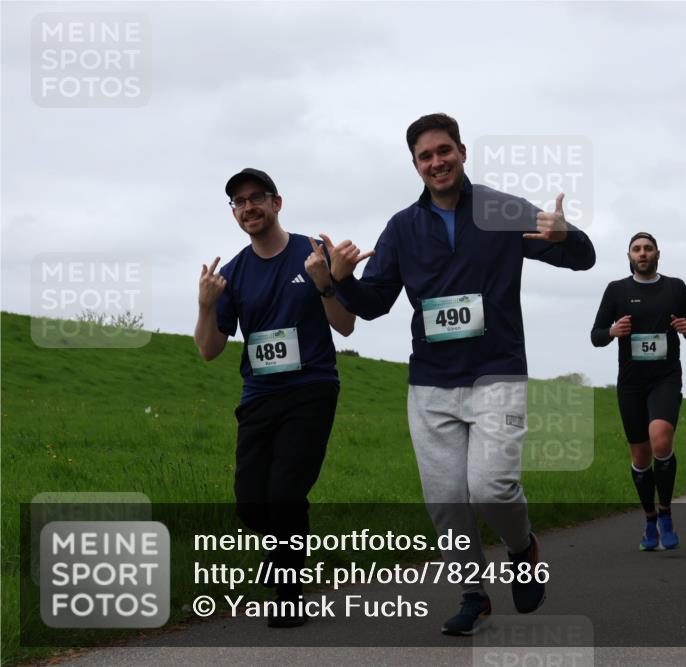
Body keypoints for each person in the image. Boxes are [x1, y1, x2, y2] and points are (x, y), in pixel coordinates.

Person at [330, 114, 596, 635]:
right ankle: (473, 594)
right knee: (447, 500)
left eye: (444, 150)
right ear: (414, 165)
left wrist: (567, 235)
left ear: (463, 152)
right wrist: (340, 281)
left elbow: (582, 259)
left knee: (491, 488)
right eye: (425, 156)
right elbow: (373, 304)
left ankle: (522, 549)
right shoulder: (402, 227)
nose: (436, 162)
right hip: (430, 382)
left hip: (495, 372)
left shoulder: (499, 210)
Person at [195, 168, 356, 627]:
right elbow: (209, 351)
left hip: (311, 390)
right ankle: (281, 549)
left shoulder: (313, 254)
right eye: (239, 202)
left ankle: (288, 596)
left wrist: (326, 281)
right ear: (234, 213)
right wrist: (206, 304)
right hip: (259, 394)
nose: (249, 207)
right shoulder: (234, 274)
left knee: (285, 493)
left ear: (277, 203)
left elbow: (345, 325)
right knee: (250, 504)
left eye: (256, 198)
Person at [591, 232, 686, 550]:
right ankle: (650, 519)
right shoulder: (616, 290)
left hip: (665, 377)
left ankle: (665, 512)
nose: (642, 253)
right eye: (637, 249)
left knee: (660, 440)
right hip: (631, 383)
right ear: (629, 255)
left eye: (648, 249)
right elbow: (596, 335)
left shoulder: (675, 287)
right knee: (640, 456)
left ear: (657, 254)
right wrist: (612, 331)